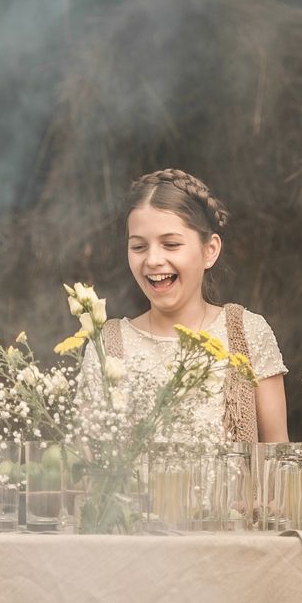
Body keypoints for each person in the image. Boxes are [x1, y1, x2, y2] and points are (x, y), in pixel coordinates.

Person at [85, 168, 288, 442]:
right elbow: (87, 460)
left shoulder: (246, 334)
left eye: (170, 244)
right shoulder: (107, 346)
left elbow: (278, 455)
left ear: (210, 250)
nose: (153, 260)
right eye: (138, 247)